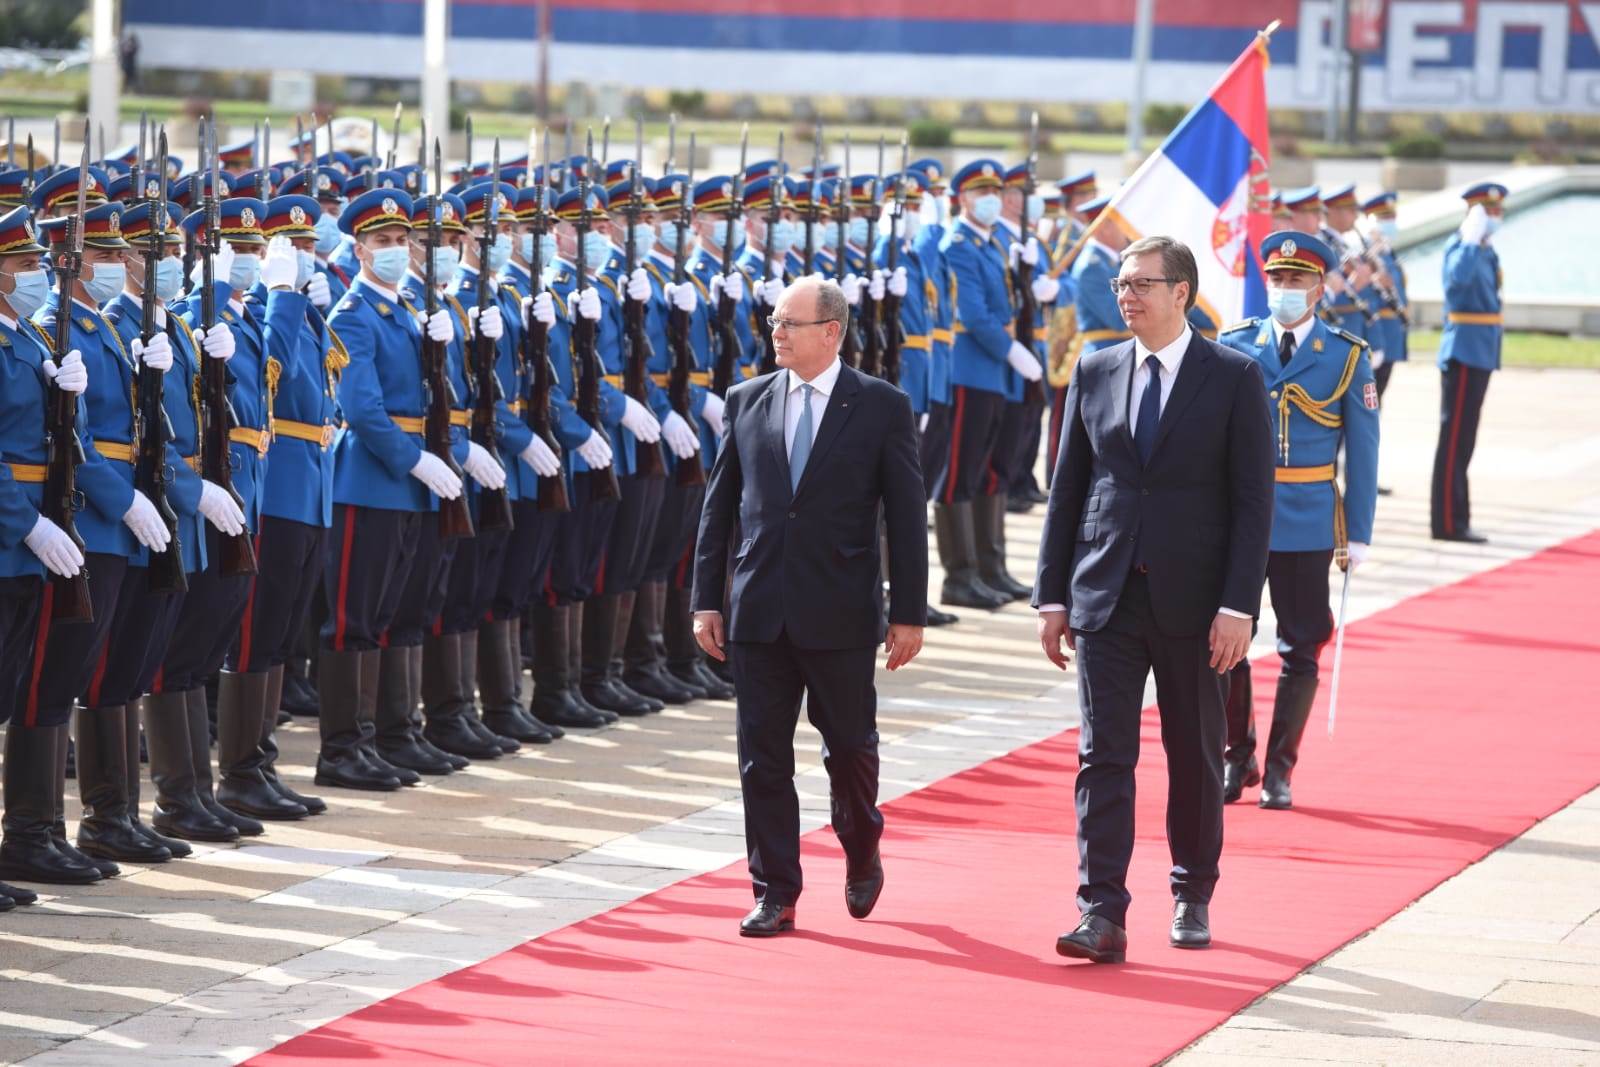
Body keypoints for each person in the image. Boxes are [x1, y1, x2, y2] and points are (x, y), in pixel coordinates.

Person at [1034, 235, 1273, 962]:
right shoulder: (1097, 369)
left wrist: (1239, 605)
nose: (1127, 295)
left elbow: (1251, 502)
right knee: (1101, 754)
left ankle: (1191, 889)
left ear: (1183, 292)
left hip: (1196, 605)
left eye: (1142, 283)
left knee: (1193, 753)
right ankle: (1100, 909)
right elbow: (1067, 488)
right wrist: (1052, 594)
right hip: (1105, 596)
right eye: (1120, 283)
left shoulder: (1233, 377)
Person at [692, 276, 927, 938]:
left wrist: (909, 612)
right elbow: (720, 511)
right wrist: (706, 600)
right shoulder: (747, 399)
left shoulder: (880, 406)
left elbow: (907, 519)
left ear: (831, 332)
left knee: (849, 748)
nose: (778, 333)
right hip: (759, 609)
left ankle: (861, 842)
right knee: (760, 755)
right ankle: (775, 888)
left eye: (791, 323)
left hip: (841, 611)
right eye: (774, 322)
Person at [1217, 231, 1378, 810]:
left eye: (1297, 280)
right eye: (1278, 279)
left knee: (1301, 645)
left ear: (1319, 287)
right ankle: (1238, 757)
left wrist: (1358, 531)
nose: (1286, 289)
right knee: (1223, 643)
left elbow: (1363, 450)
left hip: (1308, 517)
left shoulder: (1345, 354)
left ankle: (1281, 768)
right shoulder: (1234, 344)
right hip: (1238, 518)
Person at [1431, 182, 1505, 544]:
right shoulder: (1463, 247)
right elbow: (1457, 282)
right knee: (1455, 440)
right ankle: (1447, 522)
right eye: (1489, 211)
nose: (1496, 217)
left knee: (1465, 441)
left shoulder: (1483, 250)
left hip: (1479, 352)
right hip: (1464, 351)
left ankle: (1457, 517)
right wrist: (1471, 238)